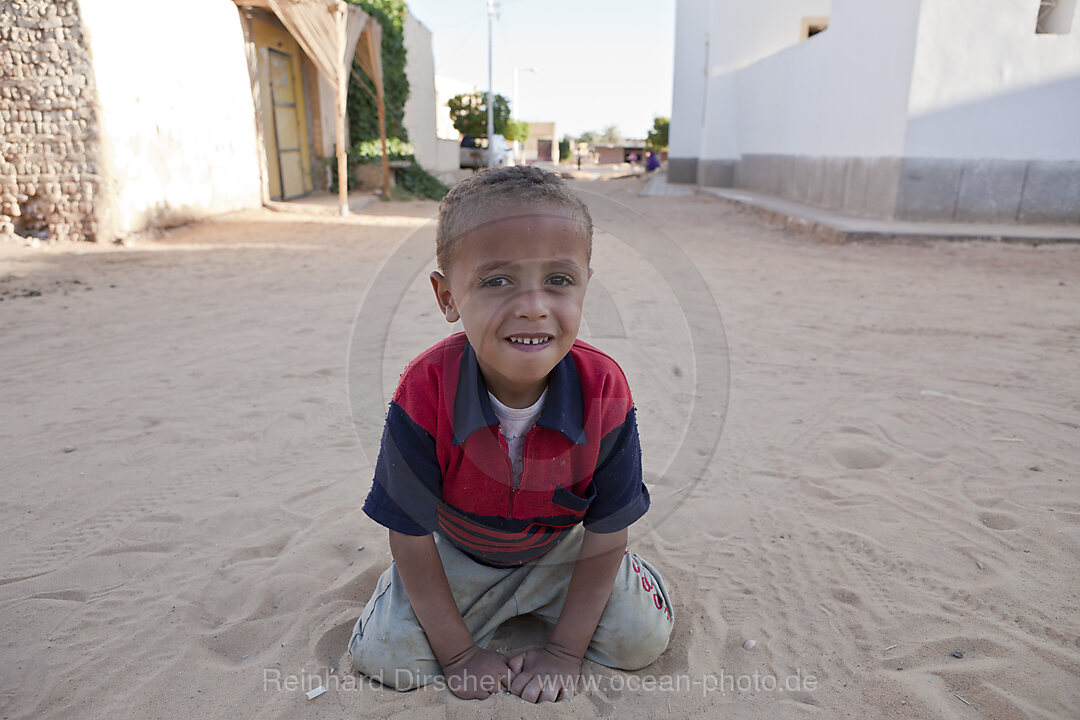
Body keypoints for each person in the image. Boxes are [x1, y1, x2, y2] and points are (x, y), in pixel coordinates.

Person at [347, 166, 673, 703]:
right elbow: (409, 533)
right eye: (497, 280)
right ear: (447, 296)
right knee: (388, 658)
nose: (533, 305)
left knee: (639, 642)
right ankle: (406, 600)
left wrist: (566, 652)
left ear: (586, 284)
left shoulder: (604, 387)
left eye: (559, 280)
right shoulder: (425, 389)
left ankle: (634, 583)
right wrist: (457, 655)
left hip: (565, 553)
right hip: (458, 558)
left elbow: (607, 529)